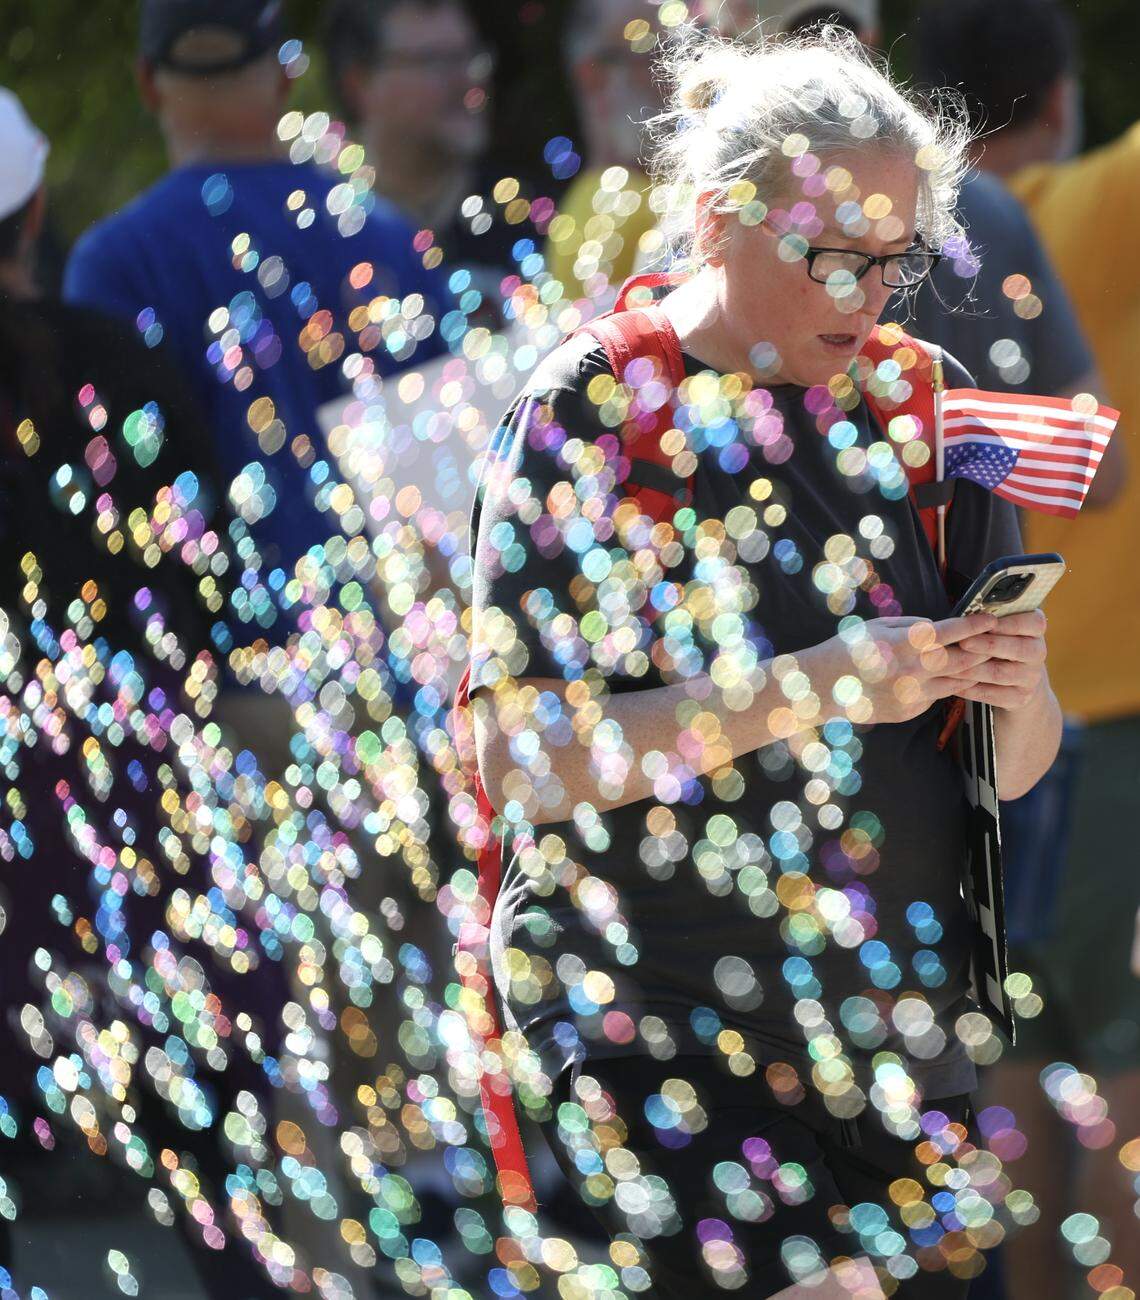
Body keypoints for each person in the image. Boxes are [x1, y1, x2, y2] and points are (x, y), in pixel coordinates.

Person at [468, 23, 1061, 1298]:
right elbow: (519, 762)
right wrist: (813, 686)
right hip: (660, 1028)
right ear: (713, 218)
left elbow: (1011, 772)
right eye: (827, 256)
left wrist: (1019, 690)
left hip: (900, 1040)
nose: (862, 298)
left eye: (891, 262)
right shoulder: (596, 411)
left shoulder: (926, 405)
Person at [0, 86, 294, 1296]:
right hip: (144, 805)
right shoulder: (113, 366)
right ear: (37, 211)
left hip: (26, 828)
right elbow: (204, 590)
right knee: (218, 1168)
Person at [916, 4, 1140, 1296]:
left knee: (1004, 1075)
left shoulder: (846, 245)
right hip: (1101, 718)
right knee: (1122, 1084)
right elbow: (1094, 472)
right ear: (1055, 99)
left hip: (943, 720)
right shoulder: (1066, 211)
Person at [63, 0, 453, 582]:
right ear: (286, 73)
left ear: (147, 81)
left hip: (224, 660)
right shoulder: (389, 240)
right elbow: (449, 495)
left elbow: (120, 512)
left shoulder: (115, 264)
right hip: (406, 648)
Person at [321, 0, 528, 318]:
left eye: (470, 56)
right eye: (436, 62)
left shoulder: (527, 220)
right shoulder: (328, 245)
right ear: (359, 84)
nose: (468, 80)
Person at [544, 0, 665, 305]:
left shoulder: (588, 206)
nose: (672, 74)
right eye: (654, 55)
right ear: (594, 77)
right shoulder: (632, 210)